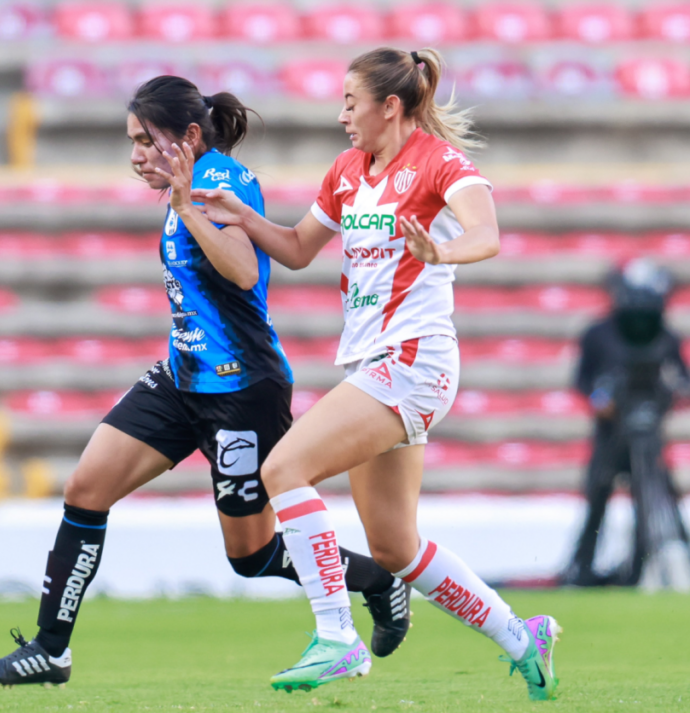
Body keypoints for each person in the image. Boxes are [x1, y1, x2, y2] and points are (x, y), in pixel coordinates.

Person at [0, 76, 411, 686]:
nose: (135, 156)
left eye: (146, 140)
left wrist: (184, 207)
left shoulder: (223, 179)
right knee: (86, 487)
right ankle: (51, 650)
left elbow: (239, 268)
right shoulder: (186, 189)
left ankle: (377, 579)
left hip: (240, 391)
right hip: (180, 379)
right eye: (132, 142)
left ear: (191, 137)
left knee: (252, 556)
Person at [192, 48, 561, 700]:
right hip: (378, 362)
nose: (341, 116)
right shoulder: (347, 170)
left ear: (390, 106)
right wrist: (246, 218)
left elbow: (487, 233)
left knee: (282, 468)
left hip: (413, 358)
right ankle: (520, 636)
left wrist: (442, 248)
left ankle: (337, 636)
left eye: (350, 103)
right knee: (393, 546)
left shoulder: (437, 163)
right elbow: (301, 249)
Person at [563, 259, 690, 588]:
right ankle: (581, 569)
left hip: (648, 437)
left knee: (647, 506)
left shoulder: (664, 335)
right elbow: (582, 381)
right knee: (596, 502)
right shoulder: (597, 333)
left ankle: (637, 571)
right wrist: (601, 400)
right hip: (609, 437)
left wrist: (675, 394)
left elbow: (688, 380)